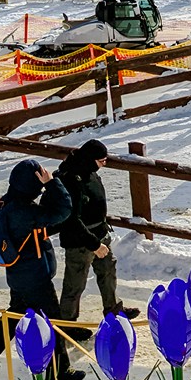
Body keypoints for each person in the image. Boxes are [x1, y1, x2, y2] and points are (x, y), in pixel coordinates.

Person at [0, 160, 84, 380]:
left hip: (16, 274)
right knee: (52, 320)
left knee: (14, 316)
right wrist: (52, 183)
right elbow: (63, 211)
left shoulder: (7, 202)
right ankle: (58, 370)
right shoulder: (24, 210)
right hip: (34, 277)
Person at [55, 139, 137, 337]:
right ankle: (65, 325)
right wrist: (94, 244)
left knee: (108, 271)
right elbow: (72, 219)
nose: (104, 164)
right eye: (101, 160)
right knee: (75, 283)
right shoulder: (71, 179)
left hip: (99, 233)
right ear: (90, 159)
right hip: (81, 241)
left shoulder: (88, 171)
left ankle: (113, 310)